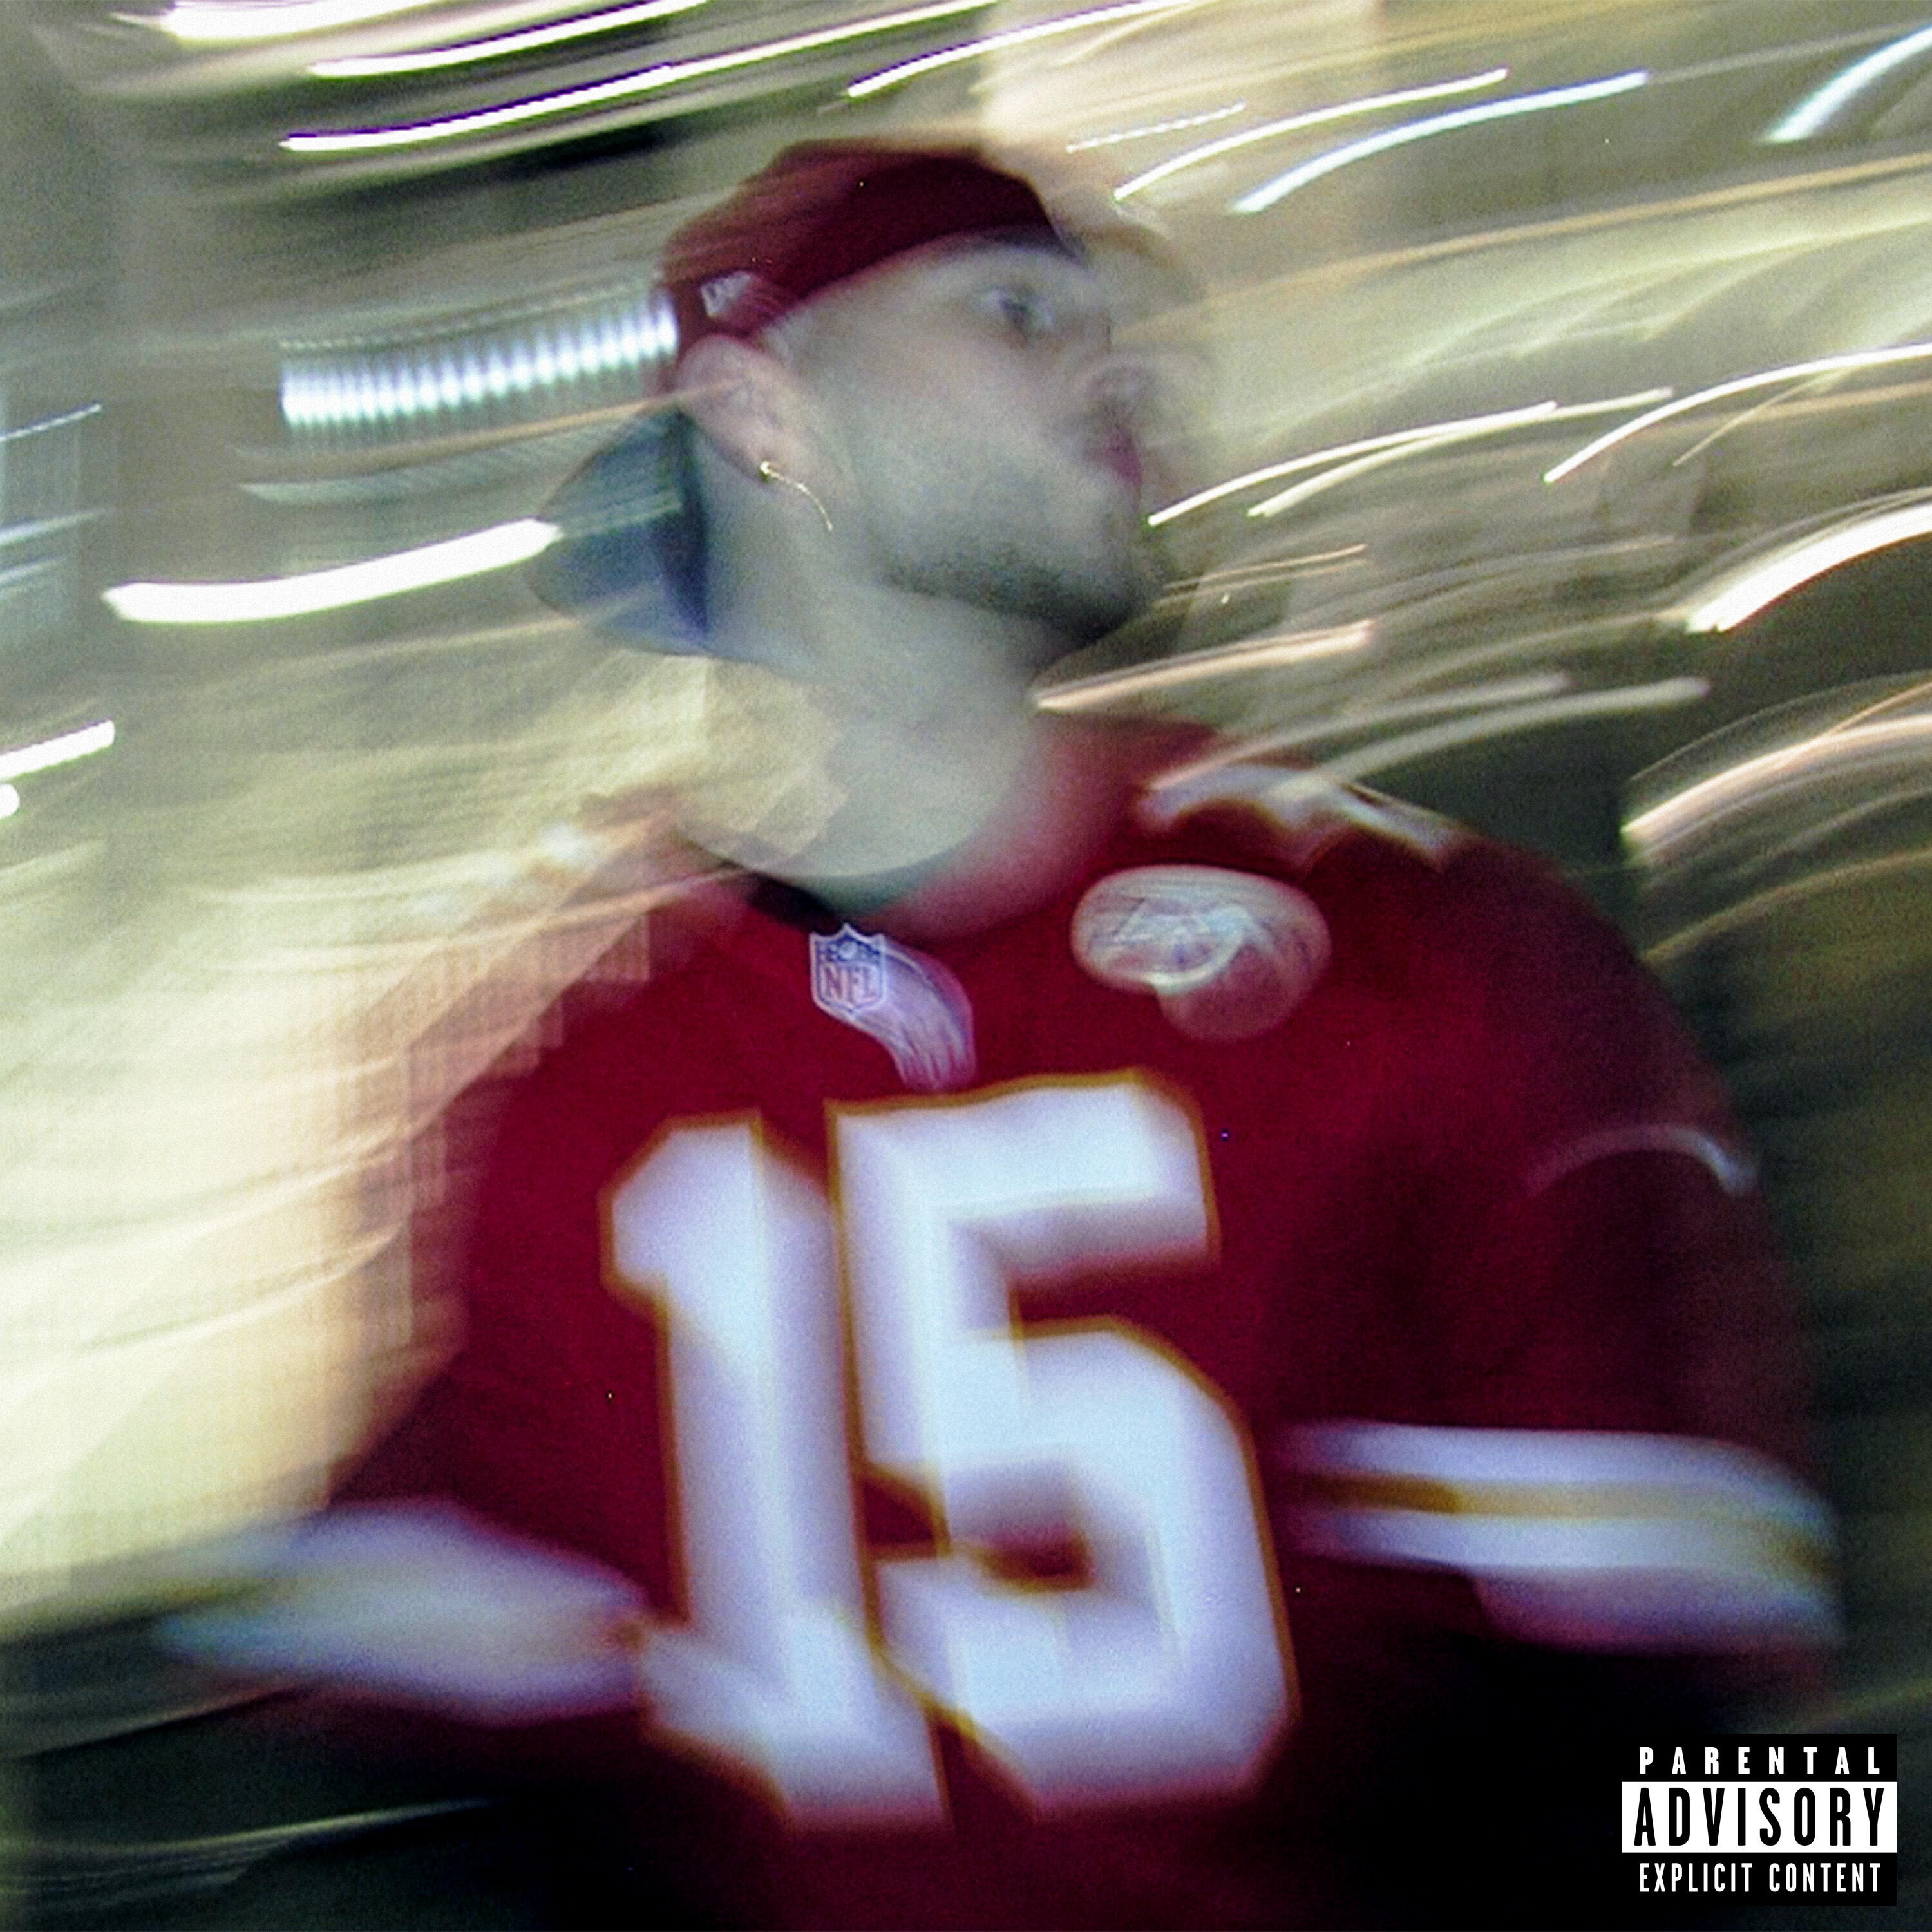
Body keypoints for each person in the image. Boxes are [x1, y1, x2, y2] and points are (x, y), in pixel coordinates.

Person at [178, 140, 1835, 1927]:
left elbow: (1760, 1798)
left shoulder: (1433, 956)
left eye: (1125, 328)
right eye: (1019, 314)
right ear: (762, 411)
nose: (1128, 373)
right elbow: (458, 1790)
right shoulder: (557, 1088)